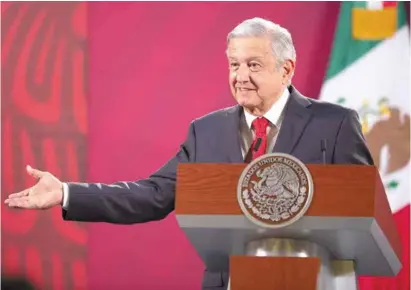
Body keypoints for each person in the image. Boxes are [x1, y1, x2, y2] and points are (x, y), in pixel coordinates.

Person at [5, 17, 374, 290]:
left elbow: (366, 207)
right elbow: (152, 195)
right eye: (234, 64)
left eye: (253, 65)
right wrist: (67, 192)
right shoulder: (207, 131)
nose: (240, 76)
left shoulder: (334, 124)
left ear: (287, 69)